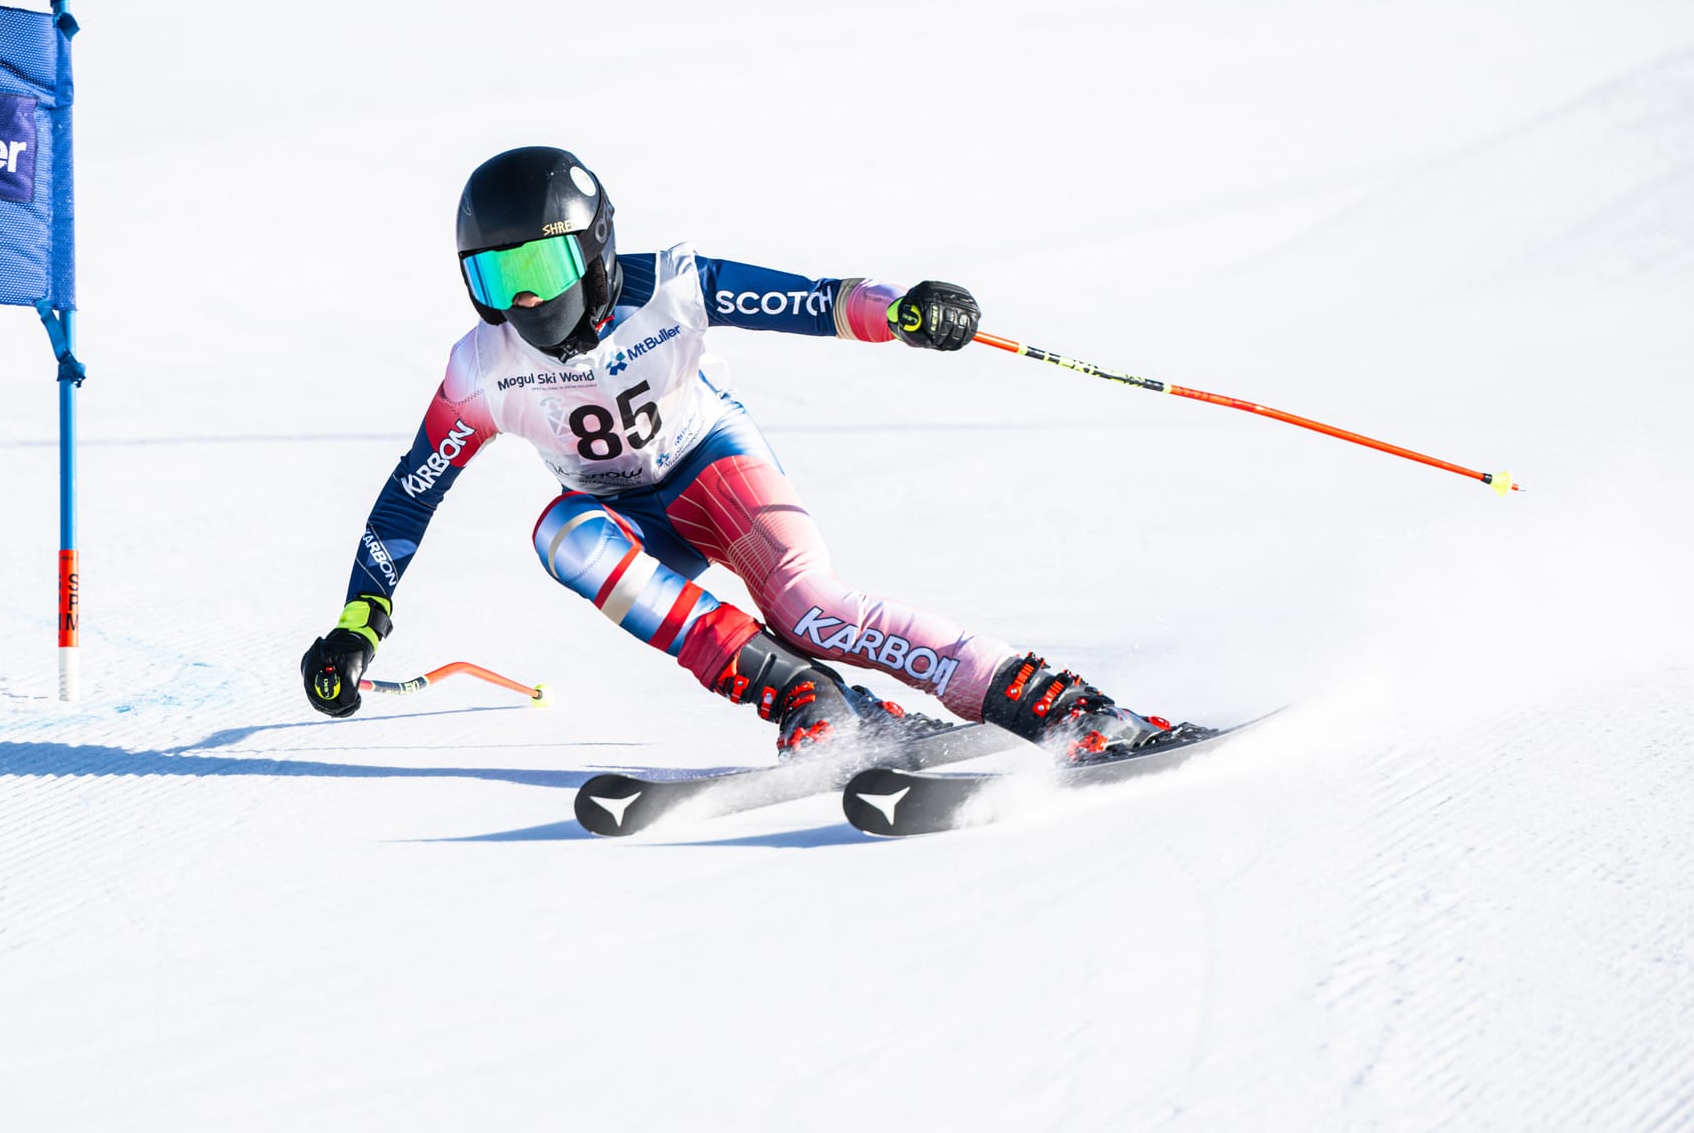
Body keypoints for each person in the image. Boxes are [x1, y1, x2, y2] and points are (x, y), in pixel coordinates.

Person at [301, 146, 1186, 762]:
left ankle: (1052, 703)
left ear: (597, 245)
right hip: (622, 517)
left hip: (712, 469)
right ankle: (811, 700)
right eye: (497, 278)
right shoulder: (484, 370)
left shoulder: (673, 287)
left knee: (808, 606)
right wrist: (357, 623)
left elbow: (814, 302)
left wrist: (906, 312)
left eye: (545, 265)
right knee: (563, 535)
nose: (527, 300)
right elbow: (410, 497)